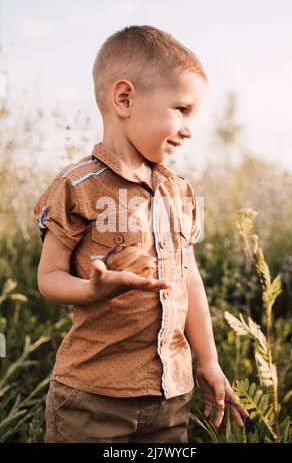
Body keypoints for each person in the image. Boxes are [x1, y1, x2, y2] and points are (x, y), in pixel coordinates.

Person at [34, 25, 249, 443]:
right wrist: (93, 291)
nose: (189, 129)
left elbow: (189, 277)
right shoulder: (77, 186)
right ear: (125, 98)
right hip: (93, 400)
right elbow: (49, 278)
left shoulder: (179, 189)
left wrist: (208, 362)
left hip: (171, 396)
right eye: (182, 109)